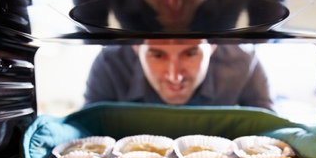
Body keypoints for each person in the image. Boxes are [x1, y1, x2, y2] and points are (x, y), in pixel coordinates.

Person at [84, 39, 274, 110]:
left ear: (212, 46)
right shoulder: (110, 65)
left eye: (191, 53)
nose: (175, 76)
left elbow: (271, 130)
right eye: (157, 55)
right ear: (136, 47)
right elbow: (87, 129)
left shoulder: (243, 63)